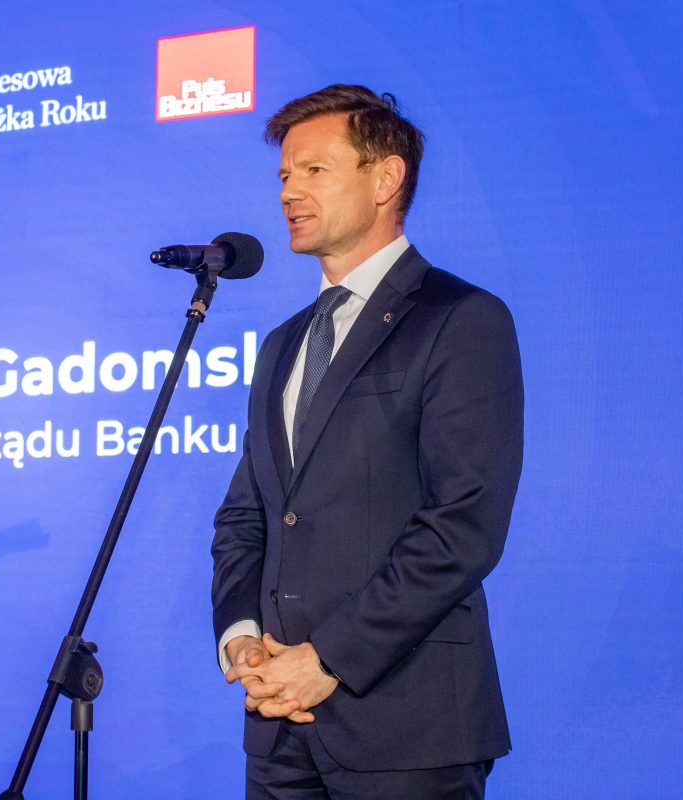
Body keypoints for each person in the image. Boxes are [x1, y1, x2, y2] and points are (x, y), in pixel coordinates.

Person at [210, 84, 524, 799]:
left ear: (385, 179)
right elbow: (247, 515)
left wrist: (328, 658)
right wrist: (242, 636)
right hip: (278, 725)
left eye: (314, 170)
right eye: (284, 175)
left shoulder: (459, 319)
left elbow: (463, 525)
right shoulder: (283, 344)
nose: (289, 190)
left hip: (407, 728)